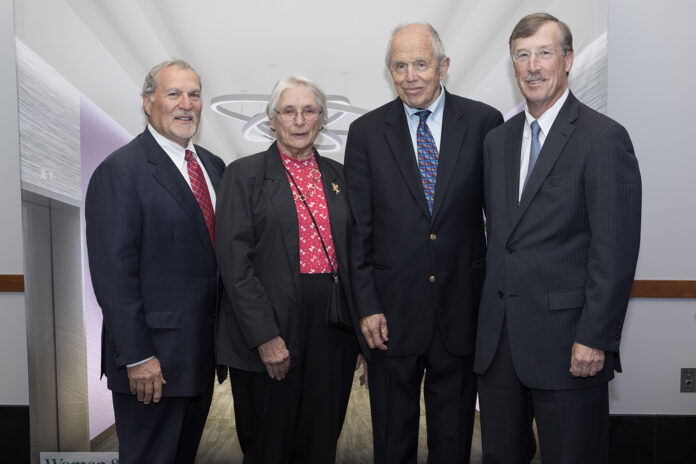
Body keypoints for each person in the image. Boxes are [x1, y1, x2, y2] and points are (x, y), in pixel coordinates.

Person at [474, 12, 642, 463]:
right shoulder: (497, 142)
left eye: (544, 53)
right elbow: (500, 241)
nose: (533, 66)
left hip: (570, 347)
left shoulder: (603, 138)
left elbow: (616, 251)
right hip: (499, 350)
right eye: (522, 56)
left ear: (567, 60)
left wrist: (596, 338)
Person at [344, 23, 503, 463]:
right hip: (390, 317)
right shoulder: (366, 132)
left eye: (420, 63)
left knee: (452, 440)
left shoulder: (484, 123)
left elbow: (502, 221)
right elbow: (358, 231)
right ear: (389, 72)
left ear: (443, 67)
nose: (410, 75)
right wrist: (367, 307)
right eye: (399, 66)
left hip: (462, 310)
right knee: (392, 442)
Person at [215, 75, 368, 464]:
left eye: (309, 111)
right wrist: (265, 335)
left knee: (321, 436)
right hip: (269, 320)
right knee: (268, 440)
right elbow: (234, 264)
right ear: (272, 120)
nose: (299, 120)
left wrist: (362, 333)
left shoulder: (341, 177)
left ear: (321, 120)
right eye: (288, 111)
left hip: (333, 326)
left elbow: (357, 255)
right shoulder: (244, 175)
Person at [85, 59, 225, 464]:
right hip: (151, 367)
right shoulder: (120, 171)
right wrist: (138, 357)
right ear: (148, 103)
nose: (186, 104)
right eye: (173, 94)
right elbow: (114, 276)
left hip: (200, 358)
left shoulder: (213, 168)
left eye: (194, 94)